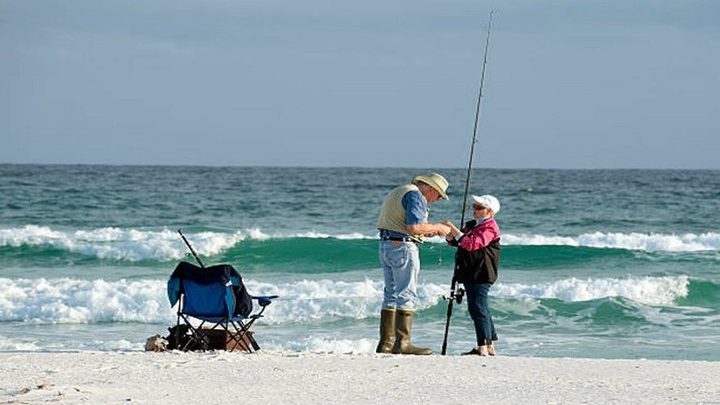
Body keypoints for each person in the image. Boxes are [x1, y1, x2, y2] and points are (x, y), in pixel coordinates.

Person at [376, 173, 452, 355]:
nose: (437, 199)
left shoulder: (400, 191)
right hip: (403, 247)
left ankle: (386, 344)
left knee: (390, 294)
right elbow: (414, 228)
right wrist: (439, 228)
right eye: (439, 195)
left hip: (386, 245)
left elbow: (404, 224)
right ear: (431, 188)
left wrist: (429, 230)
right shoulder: (416, 195)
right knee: (406, 293)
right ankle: (403, 343)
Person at [444, 194, 501, 356]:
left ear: (489, 211)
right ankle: (489, 345)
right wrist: (449, 236)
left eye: (479, 207)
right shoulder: (472, 225)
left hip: (481, 272)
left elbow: (471, 244)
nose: (474, 210)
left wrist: (454, 229)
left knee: (477, 308)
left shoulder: (490, 227)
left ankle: (482, 346)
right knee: (480, 307)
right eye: (474, 206)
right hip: (470, 271)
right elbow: (457, 241)